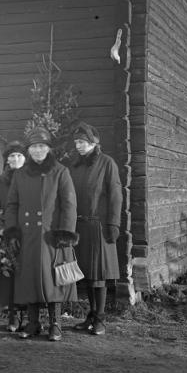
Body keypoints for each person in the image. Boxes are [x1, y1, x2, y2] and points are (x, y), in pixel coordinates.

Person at [5, 127, 78, 341]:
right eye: (34, 147)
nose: (38, 150)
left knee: (53, 278)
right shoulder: (20, 174)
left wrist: (65, 233)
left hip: (51, 235)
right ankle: (33, 322)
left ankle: (55, 324)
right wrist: (12, 231)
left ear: (48, 148)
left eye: (41, 146)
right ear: (28, 150)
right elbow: (12, 204)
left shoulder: (60, 171)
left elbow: (69, 204)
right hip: (27, 234)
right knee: (29, 278)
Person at [68, 122, 122, 336]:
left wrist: (113, 224)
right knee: (88, 275)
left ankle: (100, 318)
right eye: (76, 142)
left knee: (99, 275)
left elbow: (116, 196)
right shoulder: (75, 166)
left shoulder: (107, 163)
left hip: (99, 227)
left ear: (93, 143)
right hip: (80, 227)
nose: (78, 146)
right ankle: (90, 316)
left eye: (82, 142)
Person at [0, 139, 26, 332]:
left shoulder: (30, 177)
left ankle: (29, 314)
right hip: (8, 230)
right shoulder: (2, 180)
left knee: (26, 273)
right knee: (10, 274)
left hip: (28, 230)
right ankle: (13, 315)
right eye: (12, 156)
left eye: (19, 155)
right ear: (7, 160)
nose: (15, 159)